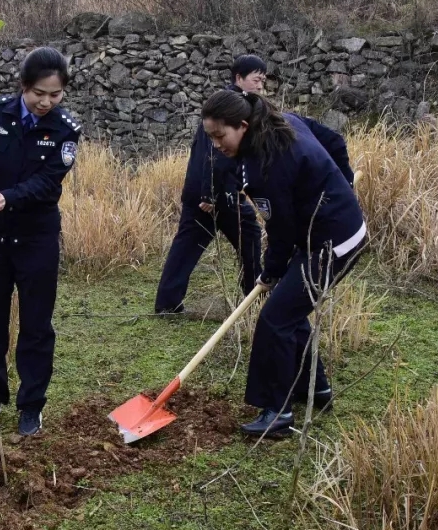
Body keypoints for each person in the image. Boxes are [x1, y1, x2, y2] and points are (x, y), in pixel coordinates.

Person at [199, 90, 366, 437]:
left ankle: (278, 414)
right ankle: (315, 389)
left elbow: (281, 230)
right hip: (333, 230)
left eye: (220, 136)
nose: (216, 145)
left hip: (330, 242)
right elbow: (333, 140)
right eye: (210, 137)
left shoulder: (265, 165)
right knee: (289, 311)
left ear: (242, 126)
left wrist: (271, 271)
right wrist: (344, 184)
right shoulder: (281, 121)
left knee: (275, 319)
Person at [154, 54, 354, 315]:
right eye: (256, 79)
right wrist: (210, 194)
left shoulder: (248, 112)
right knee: (233, 237)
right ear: (239, 78)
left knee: (196, 242)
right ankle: (255, 295)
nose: (260, 85)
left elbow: (331, 140)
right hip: (215, 195)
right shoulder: (224, 112)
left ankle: (178, 302)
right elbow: (213, 155)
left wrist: (344, 180)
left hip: (219, 192)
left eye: (263, 80)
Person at [0, 47, 81, 437]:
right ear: (23, 87)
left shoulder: (66, 128)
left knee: (36, 324)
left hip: (37, 238)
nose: (45, 102)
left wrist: (11, 196)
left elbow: (48, 181)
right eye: (38, 93)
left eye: (55, 95)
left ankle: (31, 406)